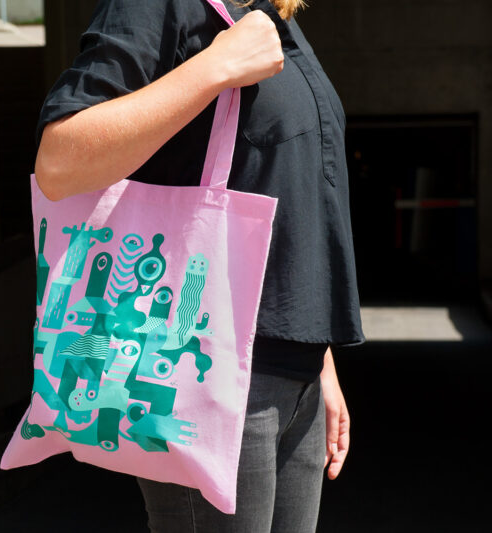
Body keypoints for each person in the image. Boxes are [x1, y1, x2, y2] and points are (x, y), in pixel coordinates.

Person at [33, 0, 364, 531]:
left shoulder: (269, 12)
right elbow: (59, 160)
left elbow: (286, 191)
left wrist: (319, 357)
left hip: (295, 375)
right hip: (206, 371)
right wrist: (216, 66)